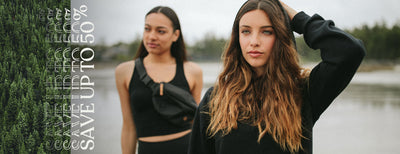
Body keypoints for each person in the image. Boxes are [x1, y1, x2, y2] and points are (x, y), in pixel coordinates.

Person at [188, 0, 365, 154]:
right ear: (237, 38)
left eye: (267, 31)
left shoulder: (304, 93)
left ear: (281, 36)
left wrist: (296, 18)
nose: (254, 41)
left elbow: (349, 51)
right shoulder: (215, 99)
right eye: (246, 31)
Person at [115, 6, 203, 154]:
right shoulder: (124, 72)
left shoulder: (192, 71)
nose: (151, 36)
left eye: (160, 31)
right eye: (147, 29)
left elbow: (198, 124)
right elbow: (129, 127)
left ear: (175, 35)